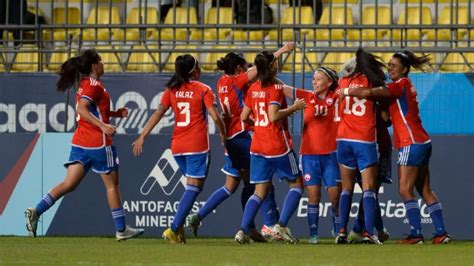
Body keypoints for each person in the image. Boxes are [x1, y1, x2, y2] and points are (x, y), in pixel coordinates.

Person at [24, 49, 144, 241]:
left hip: (81, 142)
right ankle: (121, 229)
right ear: (94, 66)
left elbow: (90, 111)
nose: (104, 65)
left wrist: (113, 114)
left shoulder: (85, 84)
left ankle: (36, 211)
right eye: (101, 62)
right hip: (98, 144)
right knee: (112, 186)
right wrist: (104, 125)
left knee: (68, 184)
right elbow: (82, 109)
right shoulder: (94, 85)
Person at [186, 43, 295, 242]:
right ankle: (268, 226)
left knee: (231, 186)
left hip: (230, 139)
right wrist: (281, 51)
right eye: (244, 67)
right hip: (243, 137)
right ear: (238, 69)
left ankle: (199, 216)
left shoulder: (221, 82)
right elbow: (260, 69)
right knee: (260, 184)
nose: (247, 70)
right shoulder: (238, 81)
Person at [340, 50, 451, 244]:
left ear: (405, 69)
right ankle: (441, 233)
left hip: (410, 142)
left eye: (394, 65)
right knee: (425, 190)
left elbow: (367, 92)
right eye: (389, 64)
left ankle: (416, 234)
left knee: (404, 189)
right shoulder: (403, 86)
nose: (389, 68)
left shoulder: (400, 85)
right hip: (422, 141)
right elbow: (386, 118)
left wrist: (346, 91)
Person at [132, 54, 226, 244]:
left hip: (177, 147)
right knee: (194, 188)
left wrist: (143, 136)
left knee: (189, 187)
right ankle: (174, 228)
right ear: (194, 70)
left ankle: (179, 230)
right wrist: (223, 135)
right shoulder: (203, 89)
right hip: (197, 145)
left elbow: (159, 113)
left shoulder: (172, 90)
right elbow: (215, 117)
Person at [234, 50, 306, 244]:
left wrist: (258, 122)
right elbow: (274, 116)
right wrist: (294, 107)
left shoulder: (253, 87)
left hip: (258, 145)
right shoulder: (274, 88)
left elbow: (243, 117)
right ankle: (280, 227)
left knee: (259, 191)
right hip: (277, 145)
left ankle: (242, 230)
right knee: (297, 185)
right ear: (272, 66)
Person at [282, 67, 341, 244]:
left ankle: (338, 230)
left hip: (331, 155)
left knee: (334, 196)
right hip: (309, 156)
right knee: (313, 196)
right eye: (313, 79)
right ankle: (313, 234)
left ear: (329, 82)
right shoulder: (306, 97)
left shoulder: (337, 96)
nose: (314, 82)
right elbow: (283, 88)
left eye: (318, 79)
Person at [335, 48, 386, 244]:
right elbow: (384, 115)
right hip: (364, 139)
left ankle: (341, 231)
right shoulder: (371, 83)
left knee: (346, 188)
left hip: (343, 139)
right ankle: (367, 233)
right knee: (369, 188)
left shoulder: (342, 82)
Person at [348, 101, 392, 243]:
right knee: (370, 191)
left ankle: (360, 229)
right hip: (360, 146)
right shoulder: (356, 94)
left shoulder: (378, 94)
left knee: (371, 191)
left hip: (380, 148)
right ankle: (372, 230)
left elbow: (386, 119)